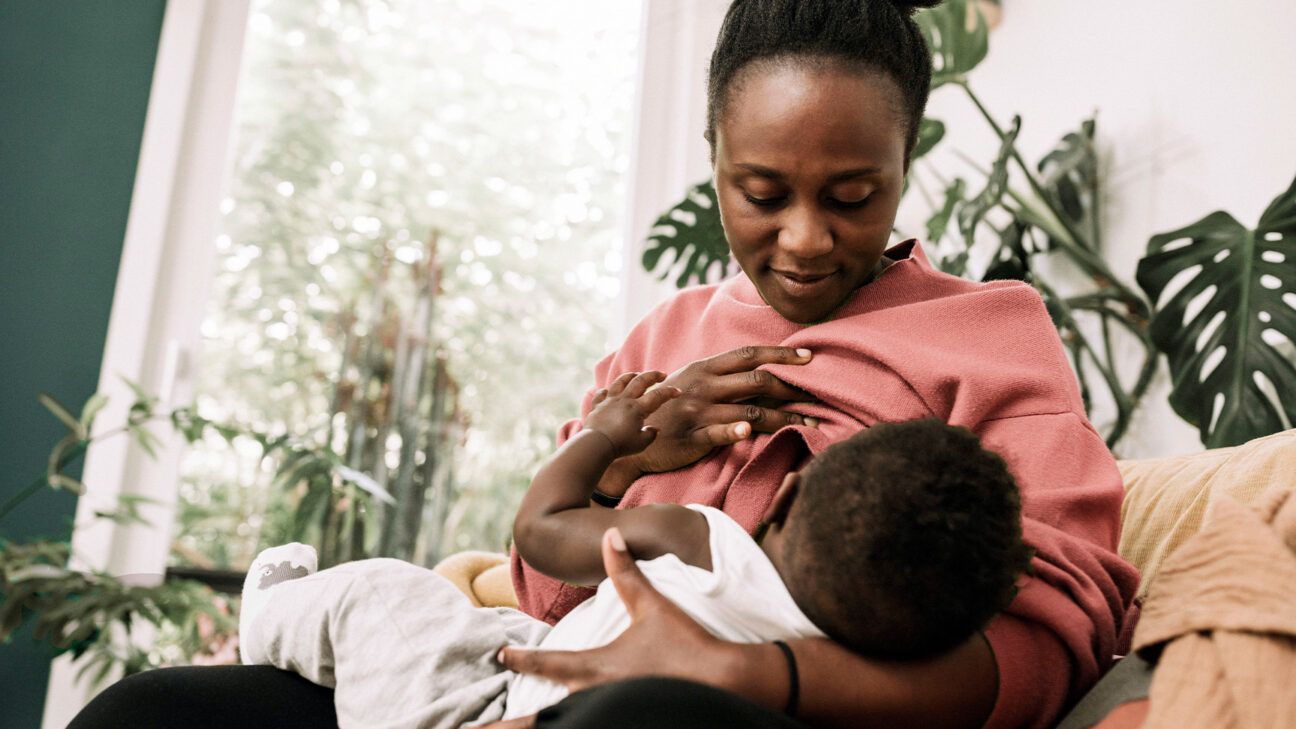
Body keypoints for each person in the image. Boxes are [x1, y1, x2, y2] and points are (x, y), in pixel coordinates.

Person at [68, 0, 1138, 727]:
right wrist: (621, 458)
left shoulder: (992, 339)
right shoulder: (660, 343)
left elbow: (1053, 637)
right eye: (762, 193)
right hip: (543, 678)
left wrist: (761, 674)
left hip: (781, 708)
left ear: (905, 166)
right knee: (151, 711)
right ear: (715, 160)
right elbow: (540, 590)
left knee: (644, 716)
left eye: (851, 196)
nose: (806, 238)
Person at [234, 371, 1031, 727]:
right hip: (531, 658)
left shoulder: (704, 540)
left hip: (471, 710)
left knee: (381, 592)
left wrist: (604, 438)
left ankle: (269, 615)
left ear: (784, 495)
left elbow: (541, 532)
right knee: (493, 629)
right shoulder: (844, 674)